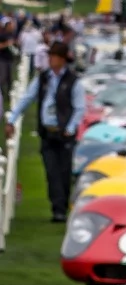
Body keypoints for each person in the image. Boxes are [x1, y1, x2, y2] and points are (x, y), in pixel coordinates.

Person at [5, 40, 84, 221]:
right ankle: (57, 208)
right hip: (47, 131)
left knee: (64, 171)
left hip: (64, 133)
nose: (51, 60)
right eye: (50, 56)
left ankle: (62, 207)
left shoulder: (73, 82)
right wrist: (12, 119)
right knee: (51, 171)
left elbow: (79, 108)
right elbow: (27, 98)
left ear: (62, 59)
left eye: (54, 56)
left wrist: (70, 128)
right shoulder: (43, 78)